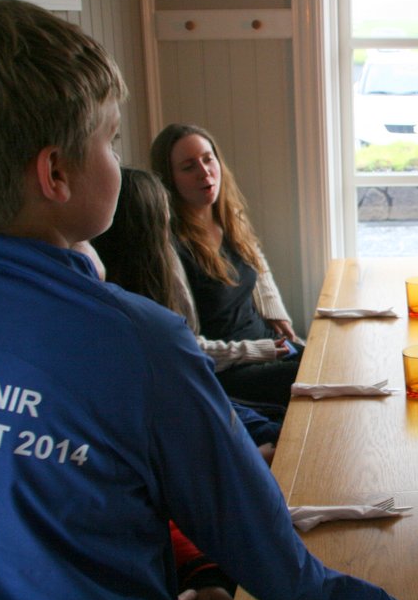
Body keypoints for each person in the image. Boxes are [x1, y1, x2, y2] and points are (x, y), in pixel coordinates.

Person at [0, 0, 396, 600]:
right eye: (111, 141)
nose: (120, 161)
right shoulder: (136, 342)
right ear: (56, 174)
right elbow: (287, 576)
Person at [91, 167, 282, 461]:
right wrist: (247, 456)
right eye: (189, 166)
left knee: (280, 425)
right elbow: (174, 416)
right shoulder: (140, 318)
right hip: (210, 389)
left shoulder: (158, 289)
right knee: (281, 431)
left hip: (203, 393)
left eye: (208, 160)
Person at [150, 123, 301, 408]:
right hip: (229, 368)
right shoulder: (171, 248)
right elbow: (187, 345)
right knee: (315, 381)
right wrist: (256, 350)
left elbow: (258, 267)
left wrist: (276, 314)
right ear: (169, 179)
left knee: (330, 361)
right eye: (188, 167)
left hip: (267, 344)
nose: (204, 172)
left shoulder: (229, 217)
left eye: (208, 159)